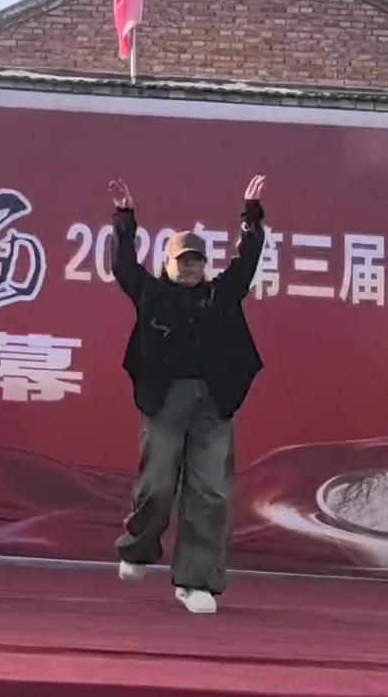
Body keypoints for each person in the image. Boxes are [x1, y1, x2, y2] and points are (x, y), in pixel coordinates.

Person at [108, 174, 267, 614]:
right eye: (182, 260)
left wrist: (252, 216)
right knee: (157, 486)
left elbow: (248, 260)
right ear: (168, 263)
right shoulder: (152, 294)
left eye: (196, 260)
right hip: (165, 404)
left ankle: (196, 581)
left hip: (213, 406)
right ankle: (139, 547)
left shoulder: (221, 295)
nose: (190, 267)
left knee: (211, 494)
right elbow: (123, 265)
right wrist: (125, 219)